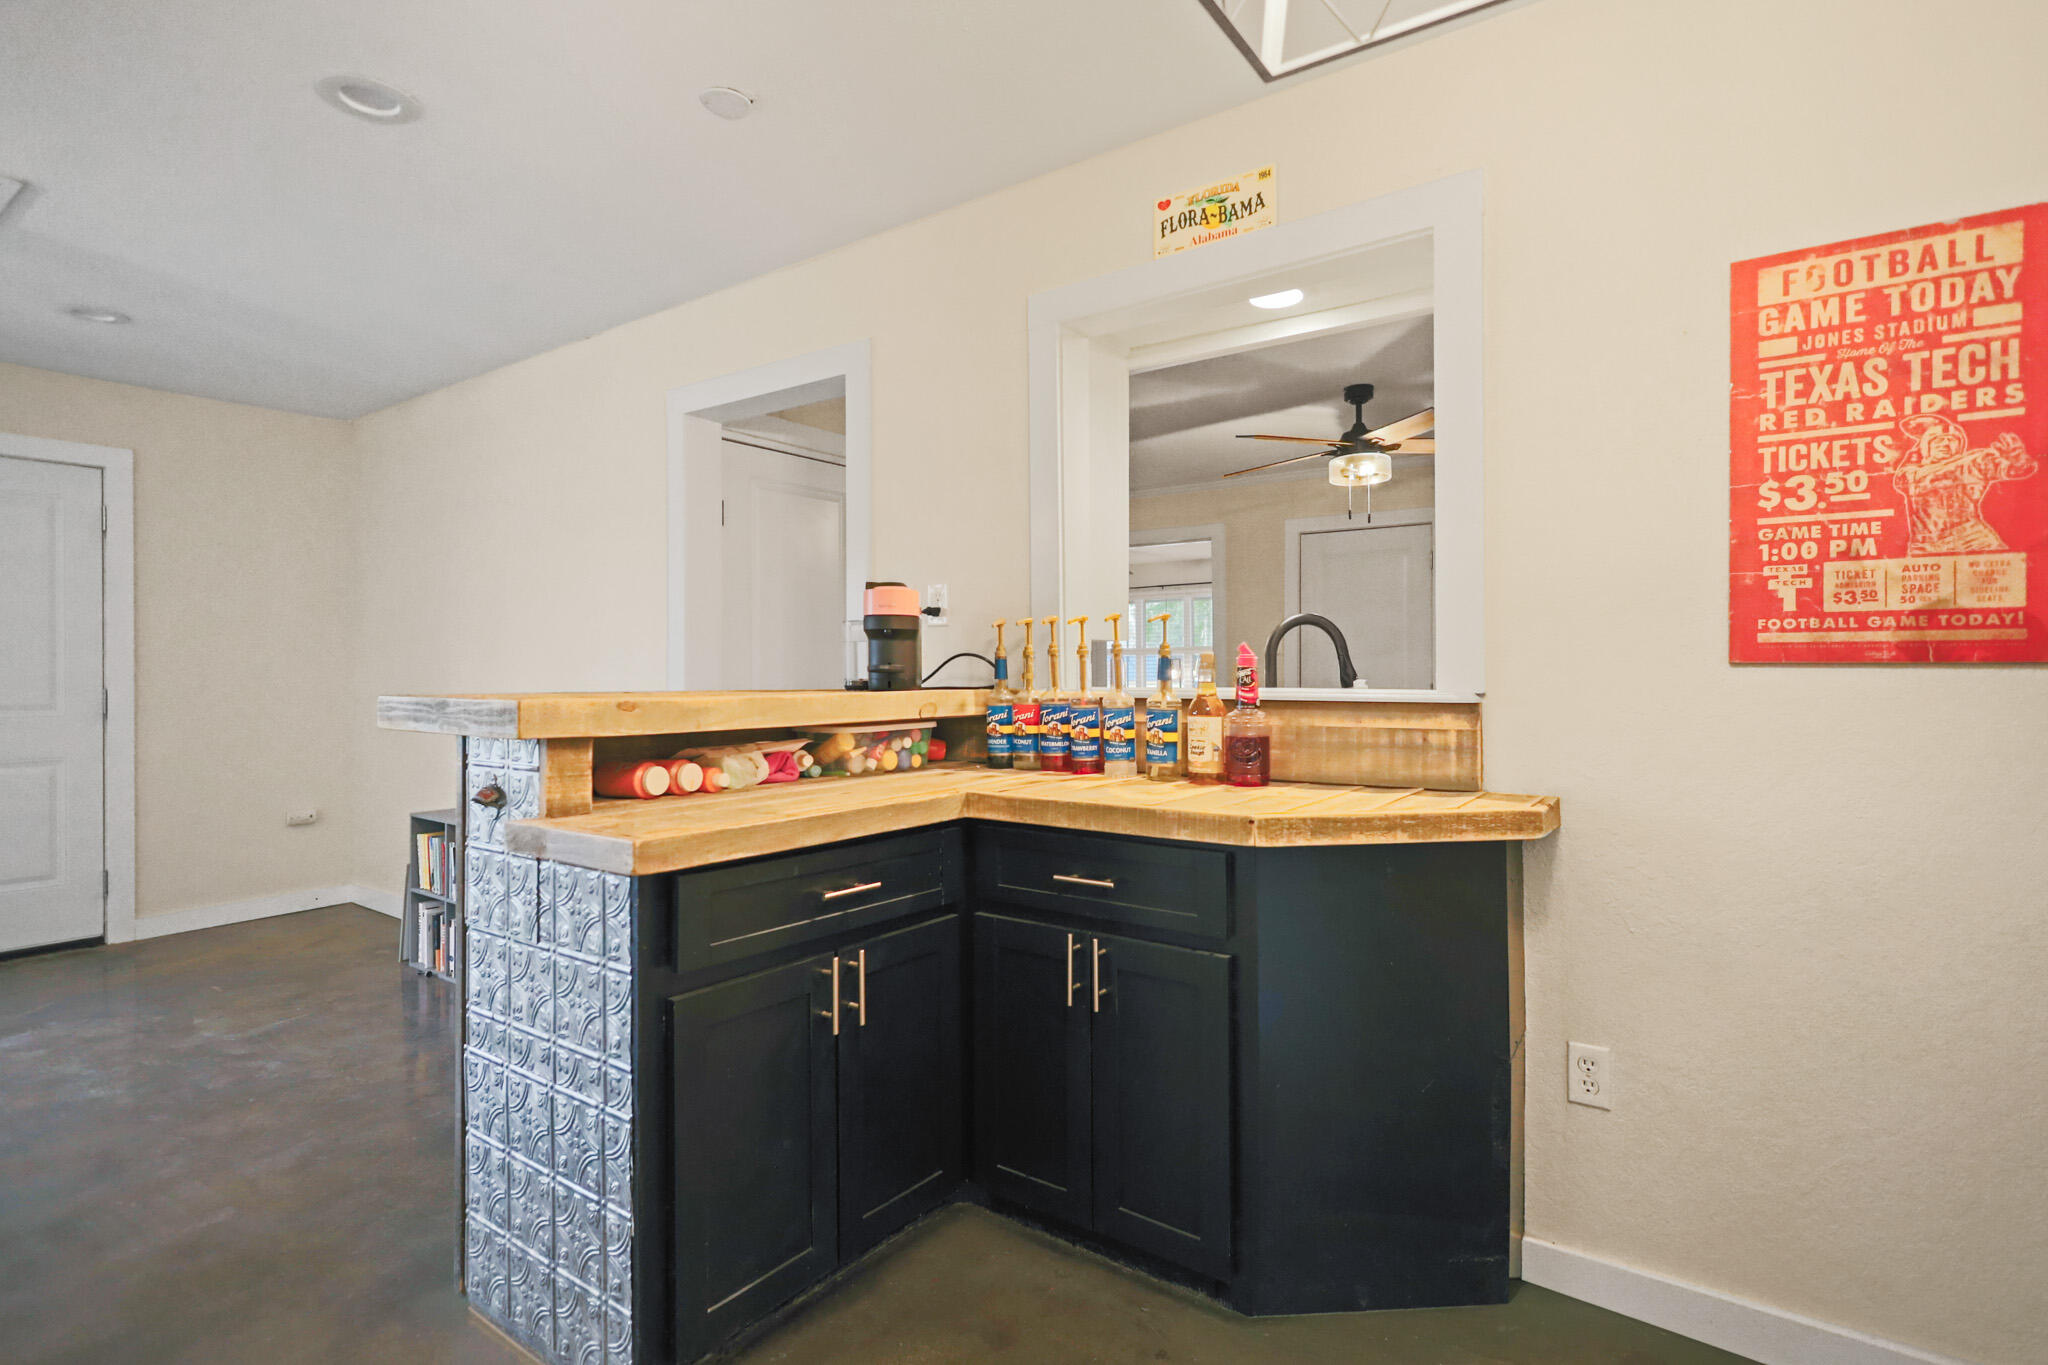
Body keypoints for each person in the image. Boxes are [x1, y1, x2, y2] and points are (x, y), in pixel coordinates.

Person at [1889, 413, 2037, 555]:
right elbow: (1902, 478)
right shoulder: (1911, 473)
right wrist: (1917, 451)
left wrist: (2019, 461)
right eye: (1938, 440)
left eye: (1952, 439)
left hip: (1970, 540)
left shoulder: (1972, 462)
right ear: (1926, 447)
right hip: (1923, 545)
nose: (1946, 444)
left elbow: (2012, 469)